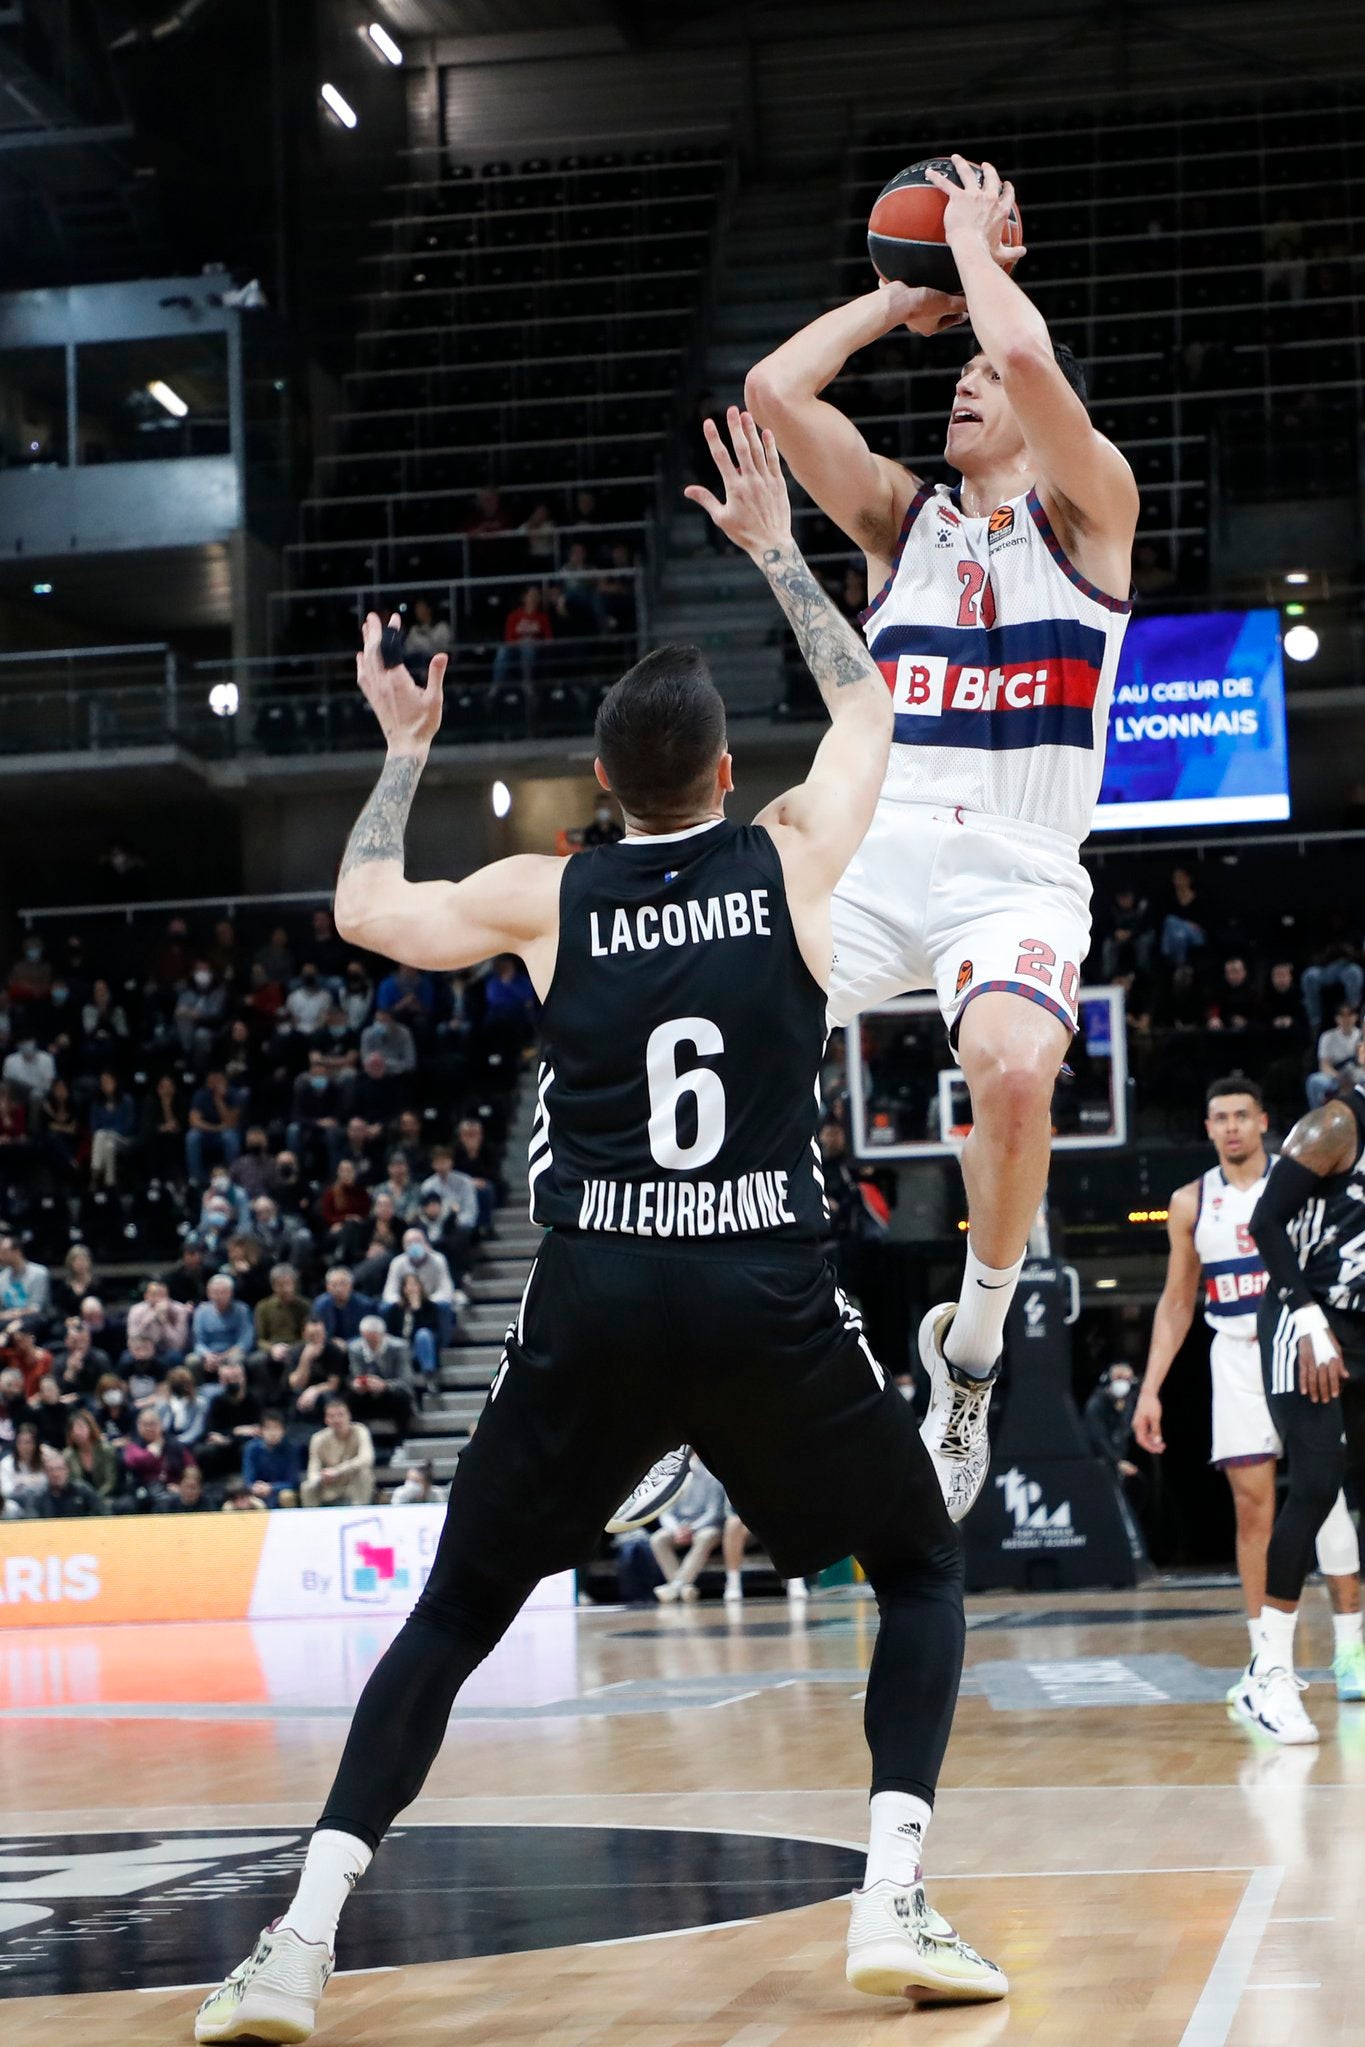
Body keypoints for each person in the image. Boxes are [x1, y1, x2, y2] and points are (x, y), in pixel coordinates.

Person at [197, 409, 1002, 2043]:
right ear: (720, 774)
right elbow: (870, 700)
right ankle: (891, 1894)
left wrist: (407, 748)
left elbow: (363, 908)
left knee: (452, 1613)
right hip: (762, 1291)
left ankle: (297, 1936)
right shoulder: (790, 859)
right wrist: (777, 544)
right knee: (917, 1568)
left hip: (597, 1296)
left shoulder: (553, 896)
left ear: (605, 792)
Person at [743, 157, 1138, 1524]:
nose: (960, 378)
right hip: (880, 846)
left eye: (979, 374)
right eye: (952, 371)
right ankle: (678, 1342)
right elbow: (775, 398)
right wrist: (891, 291)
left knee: (1016, 1070)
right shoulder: (901, 522)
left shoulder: (1095, 516)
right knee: (714, 1013)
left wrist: (975, 257)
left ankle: (965, 1356)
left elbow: (1023, 350)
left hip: (1017, 871)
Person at [1135, 1077, 1363, 1710]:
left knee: (1327, 1495)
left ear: (1264, 1121)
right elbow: (1178, 1301)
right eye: (1219, 1117)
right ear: (1207, 1128)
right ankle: (1268, 1657)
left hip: (1301, 1339)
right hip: (1234, 1353)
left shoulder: (1304, 1171)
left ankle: (1351, 1648)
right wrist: (1150, 1388)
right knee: (1253, 1508)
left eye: (1241, 1114)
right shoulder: (1191, 1201)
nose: (1231, 1126)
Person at [1226, 1082, 1365, 1743]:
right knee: (1314, 1483)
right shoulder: (1334, 1125)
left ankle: (1349, 1646)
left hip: (1360, 1323)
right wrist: (1306, 1316)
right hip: (1304, 1319)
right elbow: (1263, 1223)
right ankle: (1269, 1673)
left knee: (1343, 1489)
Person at [649, 1453, 727, 1603]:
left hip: (706, 1526)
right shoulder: (672, 1478)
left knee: (706, 1537)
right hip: (679, 1527)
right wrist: (677, 1530)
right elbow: (665, 1513)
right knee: (658, 1539)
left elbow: (714, 1512)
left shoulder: (712, 1476)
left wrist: (692, 1528)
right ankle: (683, 1588)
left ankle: (675, 1587)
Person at [300, 1396, 375, 1510]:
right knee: (307, 1486)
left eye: (341, 1415)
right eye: (332, 1416)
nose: (336, 1420)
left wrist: (337, 1471)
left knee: (364, 1474)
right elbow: (313, 1466)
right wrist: (319, 1478)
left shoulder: (360, 1430)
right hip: (329, 1486)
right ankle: (313, 1520)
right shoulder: (318, 1438)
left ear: (349, 1416)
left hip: (352, 1483)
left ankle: (359, 1512)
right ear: (326, 1420)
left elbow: (367, 1458)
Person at [242, 1410, 303, 1507]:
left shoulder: (291, 1448)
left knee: (287, 1496)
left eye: (276, 1428)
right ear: (261, 1431)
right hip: (258, 1492)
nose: (272, 1433)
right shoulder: (251, 1448)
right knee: (234, 1503)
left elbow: (293, 1481)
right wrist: (255, 1487)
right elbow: (248, 1478)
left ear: (283, 1431)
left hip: (279, 1491)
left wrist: (271, 1488)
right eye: (268, 1429)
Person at [1307, 1003, 1362, 1109]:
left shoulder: (1361, 1036)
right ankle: (1319, 1116)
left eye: (1349, 1015)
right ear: (1337, 1018)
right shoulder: (1327, 1037)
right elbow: (1324, 1065)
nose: (1346, 1019)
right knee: (1314, 1081)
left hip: (1357, 1075)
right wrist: (1338, 1077)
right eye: (1342, 1016)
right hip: (1335, 1077)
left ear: (1355, 1017)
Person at [33, 1445, 104, 1518]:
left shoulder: (83, 1490)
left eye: (60, 1469)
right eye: (51, 1470)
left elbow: (103, 1513)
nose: (56, 1474)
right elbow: (29, 1521)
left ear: (67, 1470)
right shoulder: (38, 1497)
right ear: (45, 1472)